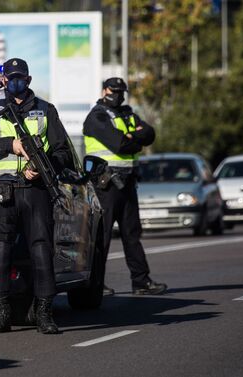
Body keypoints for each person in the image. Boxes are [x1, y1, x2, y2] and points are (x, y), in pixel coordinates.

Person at [0, 58, 72, 334]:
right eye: (11, 77)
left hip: (36, 191)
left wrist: (43, 166)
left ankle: (45, 313)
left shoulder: (46, 111)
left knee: (41, 250)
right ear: (3, 80)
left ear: (29, 80)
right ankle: (1, 314)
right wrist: (11, 145)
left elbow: (63, 153)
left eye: (20, 77)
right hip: (3, 191)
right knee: (1, 251)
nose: (15, 82)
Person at [83, 77, 167, 296]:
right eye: (114, 90)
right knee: (102, 236)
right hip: (106, 185)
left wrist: (132, 137)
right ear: (104, 91)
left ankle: (141, 281)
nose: (118, 94)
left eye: (121, 91)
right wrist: (133, 138)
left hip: (128, 182)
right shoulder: (97, 116)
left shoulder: (127, 113)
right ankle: (95, 283)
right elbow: (119, 143)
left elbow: (150, 134)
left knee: (132, 234)